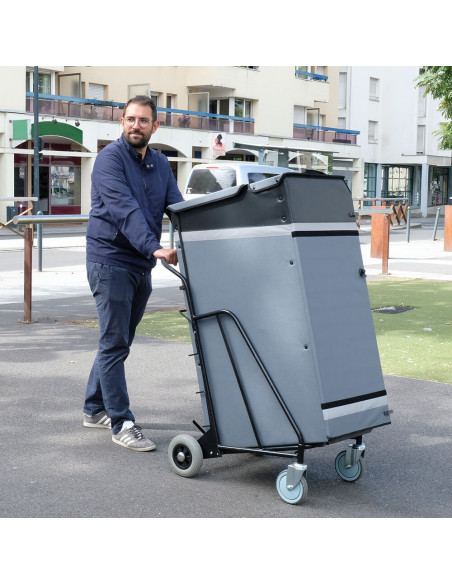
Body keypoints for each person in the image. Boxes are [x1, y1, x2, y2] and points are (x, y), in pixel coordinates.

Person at [83, 95, 184, 451]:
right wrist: (155, 248)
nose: (135, 125)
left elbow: (177, 206)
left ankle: (94, 409)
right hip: (110, 260)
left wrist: (210, 231)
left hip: (140, 263)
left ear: (155, 126)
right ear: (121, 122)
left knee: (119, 340)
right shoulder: (108, 159)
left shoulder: (159, 163)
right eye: (130, 119)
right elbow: (125, 211)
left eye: (143, 120)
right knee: (114, 343)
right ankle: (121, 422)